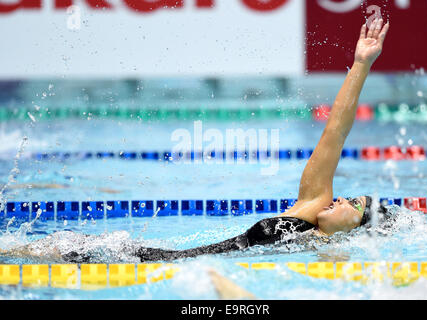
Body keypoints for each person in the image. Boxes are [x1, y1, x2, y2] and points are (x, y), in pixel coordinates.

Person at [0, 18, 391, 264]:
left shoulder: (337, 262)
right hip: (158, 260)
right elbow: (334, 134)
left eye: (353, 204)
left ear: (360, 227)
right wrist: (360, 63)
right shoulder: (308, 210)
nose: (342, 199)